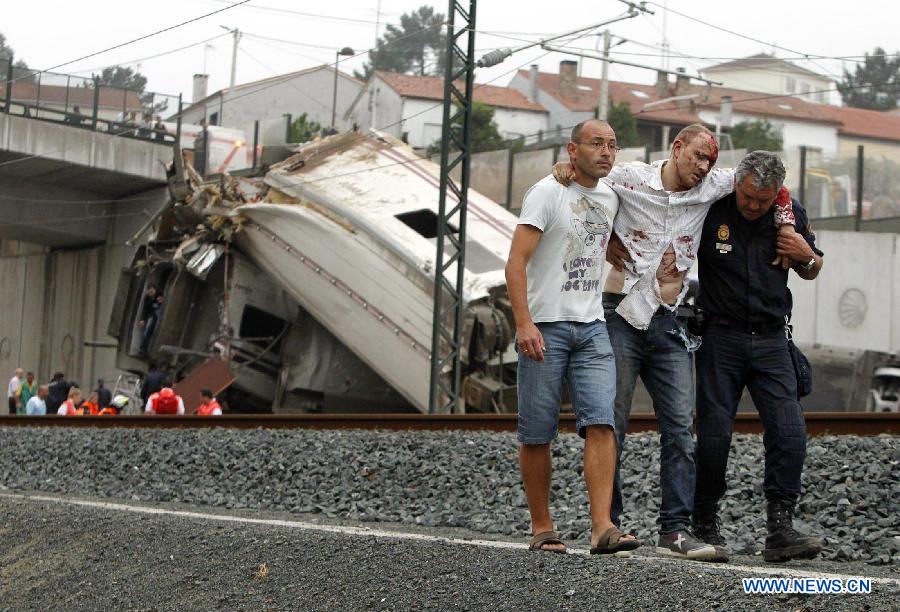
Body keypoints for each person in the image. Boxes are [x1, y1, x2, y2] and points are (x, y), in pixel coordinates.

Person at [552, 124, 798, 561]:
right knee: (612, 423)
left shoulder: (718, 183)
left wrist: (788, 220)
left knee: (682, 429)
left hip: (672, 319)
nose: (703, 168)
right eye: (697, 157)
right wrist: (595, 217)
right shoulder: (629, 177)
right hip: (621, 313)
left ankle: (677, 529)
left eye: (710, 161)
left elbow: (775, 185)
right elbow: (582, 182)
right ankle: (609, 524)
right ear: (676, 147)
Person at [506, 119, 639, 555]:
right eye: (596, 144)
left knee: (602, 421)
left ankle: (602, 527)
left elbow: (599, 234)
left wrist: (614, 247)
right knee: (538, 431)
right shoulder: (547, 192)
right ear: (572, 149)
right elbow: (516, 263)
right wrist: (524, 323)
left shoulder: (611, 196)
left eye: (612, 145)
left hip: (592, 325)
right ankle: (542, 528)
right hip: (546, 325)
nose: (606, 151)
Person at [692, 151, 824, 563]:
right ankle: (704, 524)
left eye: (763, 201)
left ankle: (781, 529)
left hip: (771, 339)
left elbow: (812, 268)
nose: (753, 206)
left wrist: (806, 254)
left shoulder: (789, 213)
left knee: (790, 432)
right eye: (748, 197)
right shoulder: (710, 206)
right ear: (737, 185)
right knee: (713, 435)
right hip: (720, 337)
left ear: (776, 195)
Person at [138, 285, 164, 355]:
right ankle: (143, 348)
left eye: (152, 291)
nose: (150, 293)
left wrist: (161, 301)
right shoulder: (147, 298)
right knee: (147, 331)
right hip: (152, 315)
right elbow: (145, 309)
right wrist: (143, 319)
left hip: (159, 315)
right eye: (149, 292)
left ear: (154, 290)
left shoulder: (159, 294)